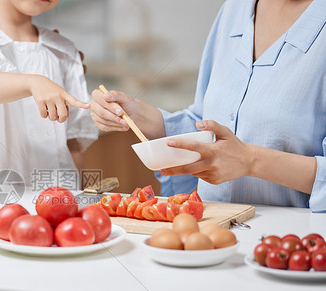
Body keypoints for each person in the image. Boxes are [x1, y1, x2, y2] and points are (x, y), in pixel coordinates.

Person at [90, 0, 326, 212]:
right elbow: (209, 124)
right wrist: (140, 117)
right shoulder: (235, 9)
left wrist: (251, 161)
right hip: (210, 231)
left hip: (290, 245)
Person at [0, 0, 98, 185]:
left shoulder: (62, 50)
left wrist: (76, 197)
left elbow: (72, 142)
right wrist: (33, 82)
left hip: (52, 192)